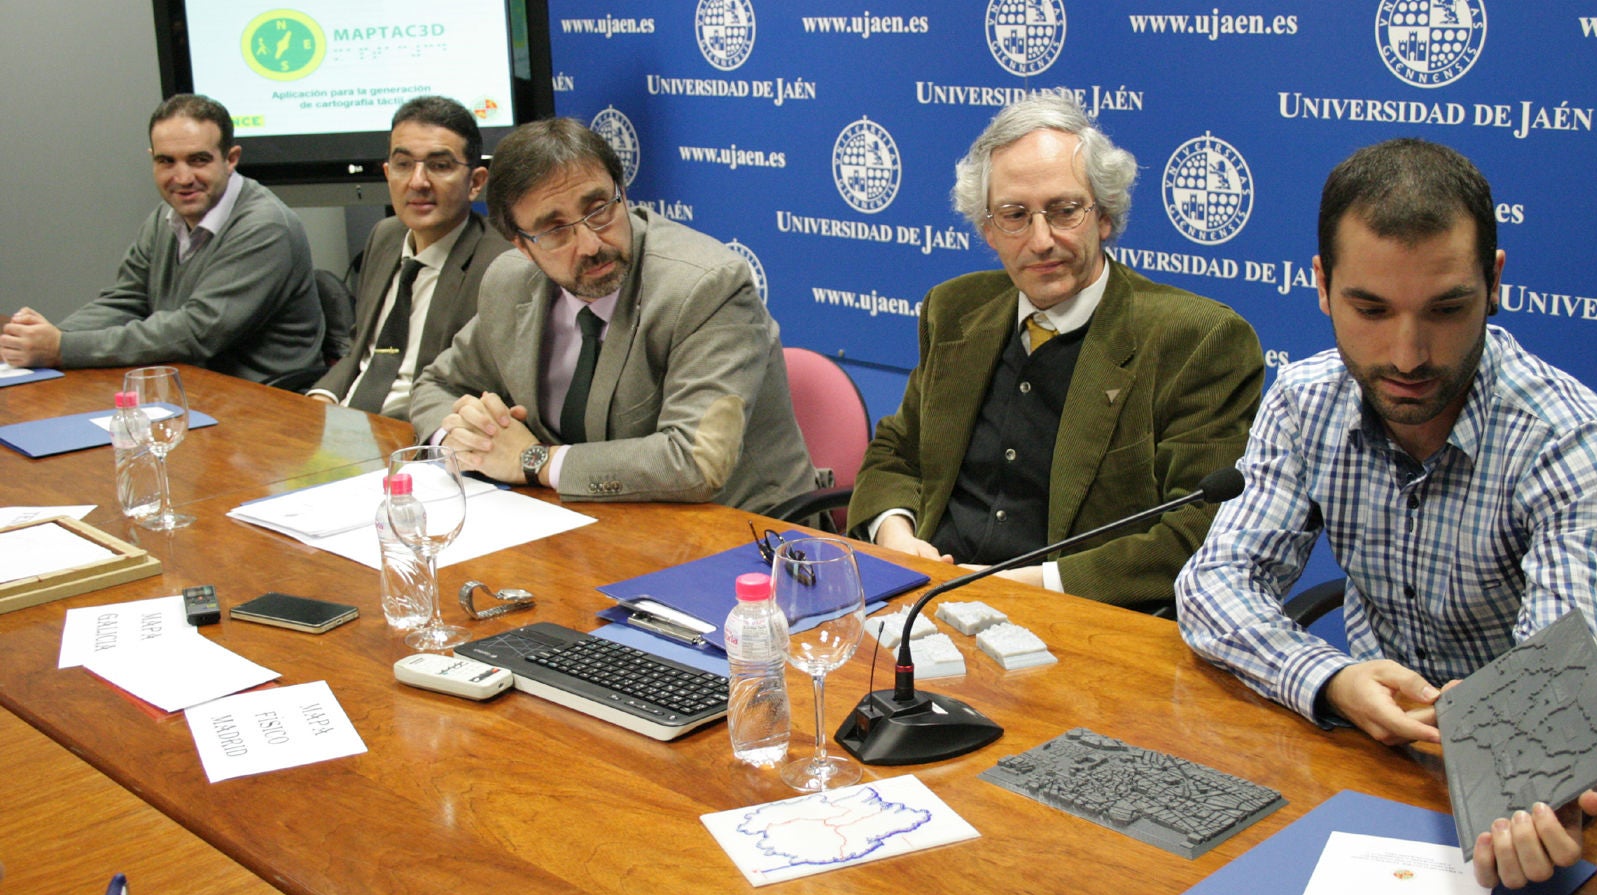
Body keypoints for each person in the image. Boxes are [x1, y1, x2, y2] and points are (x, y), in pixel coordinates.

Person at [1174, 138, 1597, 889]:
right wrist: (1330, 679)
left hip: (1553, 781)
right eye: (1370, 308)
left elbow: (1555, 679)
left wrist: (1524, 785)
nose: (1407, 353)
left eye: (1447, 308)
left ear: (1493, 284)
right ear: (1323, 286)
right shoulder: (1302, 401)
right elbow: (1213, 584)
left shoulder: (1572, 439)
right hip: (1378, 756)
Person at [846, 90, 1263, 612]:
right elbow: (897, 449)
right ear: (987, 230)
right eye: (1014, 215)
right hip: (922, 602)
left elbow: (1198, 529)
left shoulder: (1196, 339)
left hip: (1078, 619)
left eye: (1064, 211)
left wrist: (1031, 585)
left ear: (1104, 216)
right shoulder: (953, 309)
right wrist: (898, 537)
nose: (1041, 240)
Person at [407, 117, 816, 513]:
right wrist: (468, 440)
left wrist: (532, 461)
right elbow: (436, 384)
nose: (589, 244)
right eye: (554, 230)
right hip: (584, 522)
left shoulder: (706, 286)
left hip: (744, 535)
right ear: (522, 246)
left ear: (622, 192)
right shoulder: (509, 283)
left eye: (599, 209)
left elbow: (695, 461)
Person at [1, 94, 322, 384]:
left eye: (198, 160)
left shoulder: (265, 226)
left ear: (231, 158)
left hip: (261, 404)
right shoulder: (164, 218)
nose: (182, 178)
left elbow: (196, 332)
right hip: (187, 386)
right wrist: (47, 336)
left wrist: (61, 347)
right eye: (166, 161)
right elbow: (126, 299)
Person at [308, 96, 512, 419]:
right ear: (388, 173)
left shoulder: (501, 264)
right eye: (404, 165)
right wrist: (320, 400)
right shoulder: (385, 235)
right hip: (344, 421)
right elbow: (362, 349)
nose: (417, 182)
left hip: (417, 434)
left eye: (439, 165)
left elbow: (474, 390)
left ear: (475, 183)